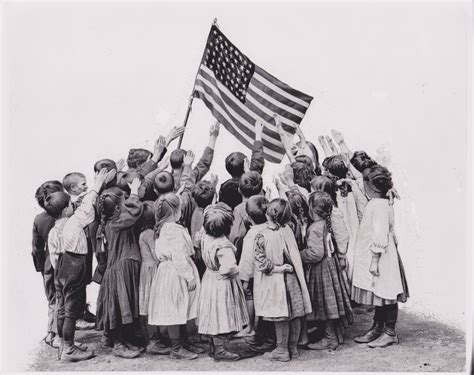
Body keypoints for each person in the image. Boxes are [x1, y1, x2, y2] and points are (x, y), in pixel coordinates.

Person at [46, 168, 109, 362]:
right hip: (74, 270)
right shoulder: (73, 223)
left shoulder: (53, 230)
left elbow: (55, 258)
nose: (74, 206)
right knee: (72, 312)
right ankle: (69, 349)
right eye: (71, 205)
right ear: (66, 210)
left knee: (63, 309)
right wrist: (98, 184)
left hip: (62, 272)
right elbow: (87, 207)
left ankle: (64, 343)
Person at [351, 166, 409, 348]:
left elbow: (380, 234)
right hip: (380, 253)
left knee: (387, 292)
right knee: (379, 293)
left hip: (382, 257)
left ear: (371, 186)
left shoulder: (379, 206)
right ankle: (377, 327)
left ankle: (390, 332)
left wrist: (374, 261)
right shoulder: (382, 200)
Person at [253, 198, 312, 362]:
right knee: (294, 314)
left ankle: (282, 349)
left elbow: (261, 264)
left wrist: (279, 268)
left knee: (281, 317)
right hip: (292, 279)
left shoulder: (261, 236)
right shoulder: (288, 229)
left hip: (276, 281)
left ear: (267, 214)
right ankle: (293, 347)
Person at [148, 193, 202, 360]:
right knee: (175, 308)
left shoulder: (165, 227)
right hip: (176, 273)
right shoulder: (173, 230)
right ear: (175, 212)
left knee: (181, 306)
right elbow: (178, 255)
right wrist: (189, 276)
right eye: (181, 209)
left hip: (171, 271)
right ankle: (176, 347)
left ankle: (183, 342)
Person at [95, 179, 145, 359]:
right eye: (122, 203)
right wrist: (133, 192)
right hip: (120, 270)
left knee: (124, 307)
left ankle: (124, 341)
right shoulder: (119, 222)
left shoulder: (106, 224)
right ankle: (118, 345)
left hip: (117, 269)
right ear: (117, 209)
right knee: (120, 308)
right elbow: (135, 210)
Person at [300, 192, 353, 351]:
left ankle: (330, 338)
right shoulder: (325, 223)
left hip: (321, 270)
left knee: (325, 303)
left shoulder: (315, 227)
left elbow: (315, 253)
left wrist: (299, 254)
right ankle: (333, 333)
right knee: (331, 302)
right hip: (331, 266)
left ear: (312, 209)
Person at [198, 203, 249, 361]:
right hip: (222, 283)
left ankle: (214, 346)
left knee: (213, 313)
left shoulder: (205, 237)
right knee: (221, 314)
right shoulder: (223, 246)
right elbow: (228, 268)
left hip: (209, 278)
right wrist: (239, 270)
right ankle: (220, 350)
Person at [238, 196, 275, 347]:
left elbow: (247, 259)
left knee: (252, 298)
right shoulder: (272, 228)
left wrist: (244, 279)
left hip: (255, 274)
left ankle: (251, 327)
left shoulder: (251, 235)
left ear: (247, 217)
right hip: (271, 271)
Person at [32, 180, 64, 348]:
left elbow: (36, 248)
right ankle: (58, 336)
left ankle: (50, 333)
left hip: (46, 266)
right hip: (61, 265)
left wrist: (40, 267)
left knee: (52, 300)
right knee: (61, 301)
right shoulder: (65, 217)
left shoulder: (38, 219)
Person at [62, 172, 97, 329]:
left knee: (84, 281)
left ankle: (83, 311)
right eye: (83, 184)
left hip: (85, 247)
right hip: (78, 252)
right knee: (79, 283)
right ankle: (78, 317)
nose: (86, 186)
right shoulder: (78, 203)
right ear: (73, 188)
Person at [137, 201, 170, 355]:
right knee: (151, 305)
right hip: (152, 269)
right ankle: (153, 340)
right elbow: (156, 254)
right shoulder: (149, 234)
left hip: (146, 269)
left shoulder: (142, 233)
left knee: (148, 304)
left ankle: (153, 337)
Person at [219, 120, 265, 210]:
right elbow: (257, 159)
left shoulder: (225, 187)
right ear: (245, 165)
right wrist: (258, 135)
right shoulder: (253, 180)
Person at [169, 122, 219, 191]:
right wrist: (213, 137)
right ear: (184, 163)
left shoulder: (165, 180)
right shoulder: (191, 177)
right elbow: (204, 163)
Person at [228, 170, 263, 262]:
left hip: (245, 258)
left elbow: (235, 236)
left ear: (239, 190)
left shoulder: (239, 210)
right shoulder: (265, 204)